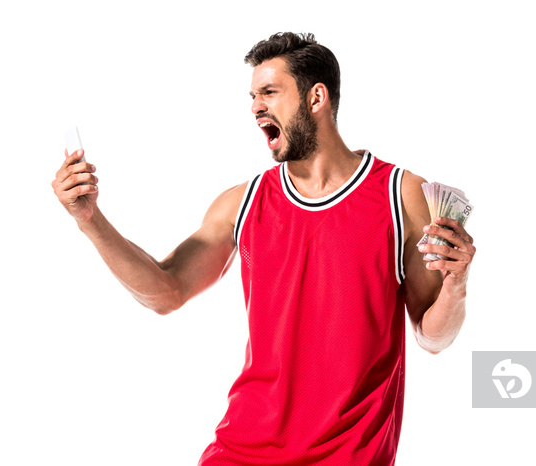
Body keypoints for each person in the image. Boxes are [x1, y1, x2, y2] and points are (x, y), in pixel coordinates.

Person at [52, 32, 475, 465]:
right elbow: (166, 291)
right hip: (240, 452)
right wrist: (91, 221)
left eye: (269, 92)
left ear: (316, 97)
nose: (256, 107)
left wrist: (455, 284)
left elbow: (432, 335)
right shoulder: (244, 203)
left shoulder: (401, 196)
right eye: (252, 95)